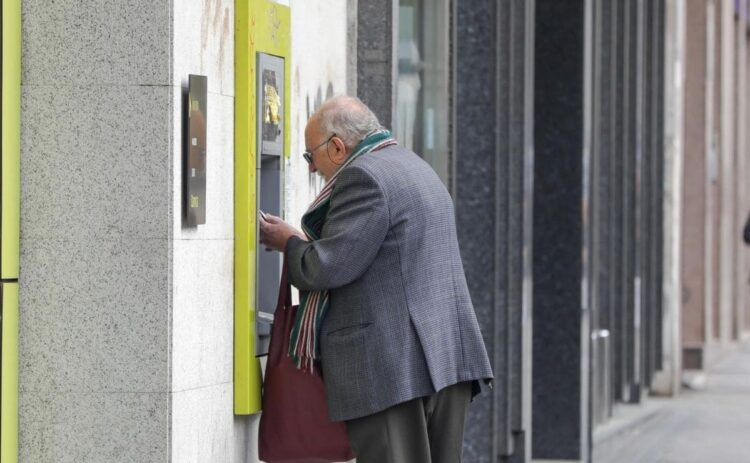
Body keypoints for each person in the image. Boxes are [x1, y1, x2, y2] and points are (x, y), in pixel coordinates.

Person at [259, 95, 493, 463]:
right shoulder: (413, 166)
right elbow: (372, 254)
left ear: (337, 146)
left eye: (310, 156)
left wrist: (288, 243)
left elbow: (326, 267)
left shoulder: (362, 176)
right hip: (444, 356)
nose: (311, 168)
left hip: (392, 366)